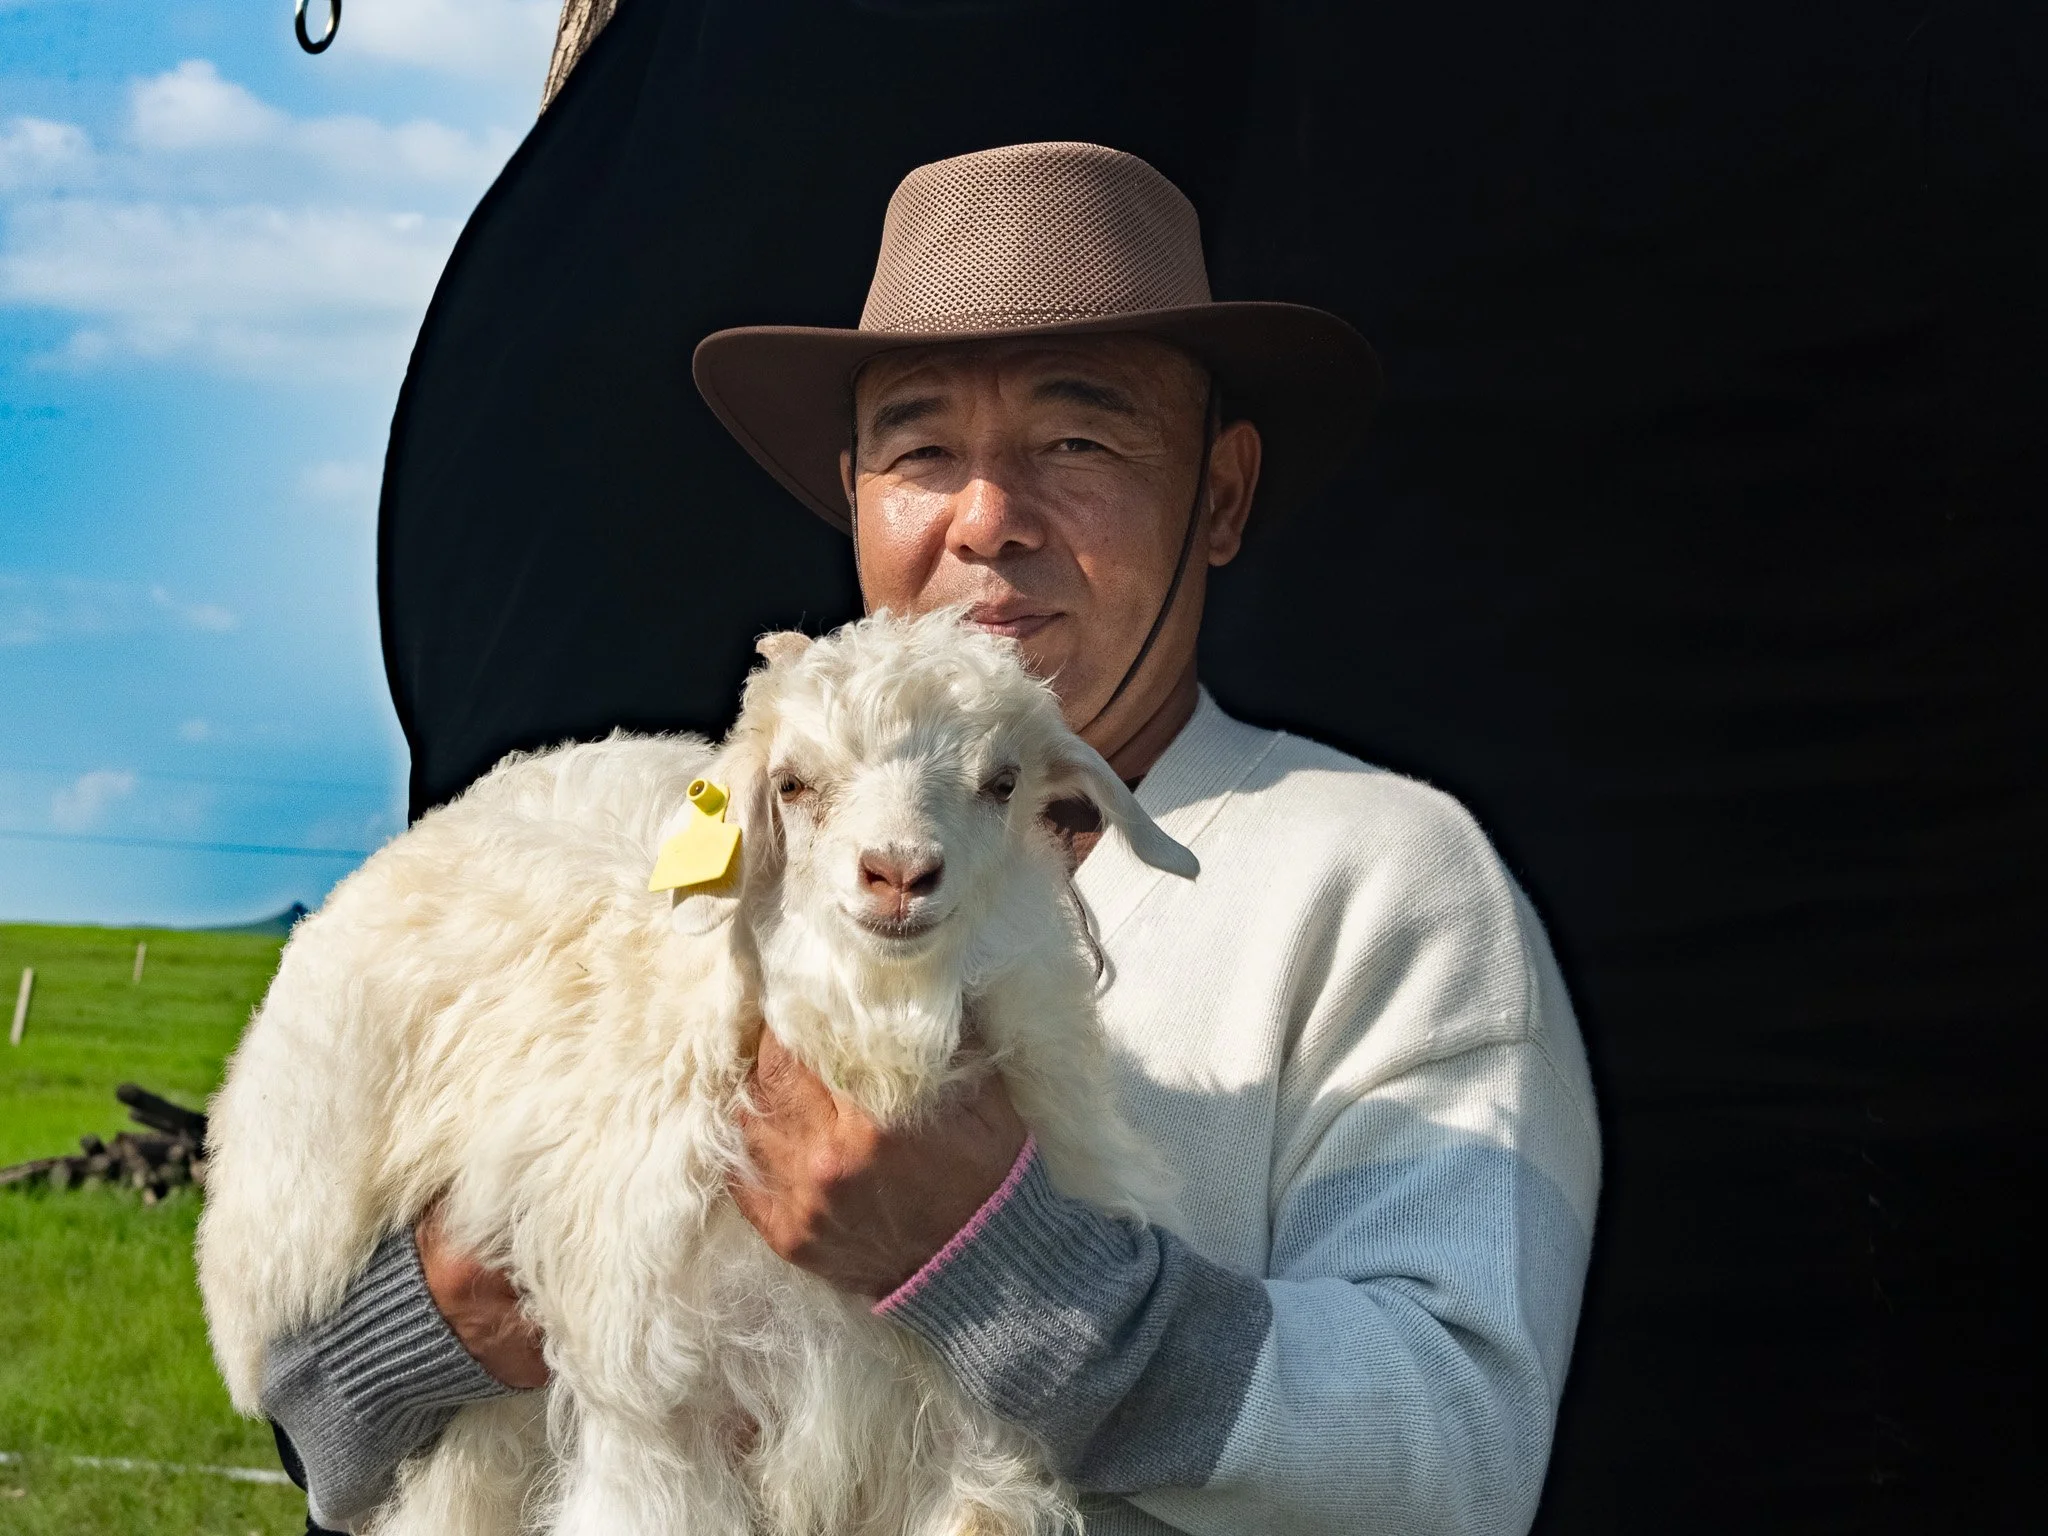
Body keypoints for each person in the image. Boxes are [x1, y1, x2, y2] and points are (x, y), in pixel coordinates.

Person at [263, 141, 1600, 1536]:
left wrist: (994, 1266)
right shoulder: (679, 858)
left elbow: (1460, 1453)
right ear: (853, 491)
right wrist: (467, 1299)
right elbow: (323, 1419)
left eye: (1078, 441)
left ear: (1218, 495)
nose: (985, 521)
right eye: (920, 449)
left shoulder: (1380, 883)